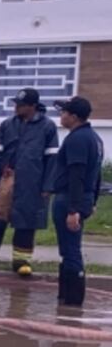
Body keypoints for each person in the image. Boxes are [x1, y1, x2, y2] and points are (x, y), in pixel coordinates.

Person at [0, 88, 59, 277]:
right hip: (7, 178)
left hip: (32, 181)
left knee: (26, 220)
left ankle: (21, 261)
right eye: (16, 104)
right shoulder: (7, 125)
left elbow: (52, 159)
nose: (16, 108)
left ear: (33, 106)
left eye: (21, 105)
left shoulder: (48, 127)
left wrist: (47, 186)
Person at [49, 96, 104, 306]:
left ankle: (72, 301)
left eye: (63, 113)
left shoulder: (77, 139)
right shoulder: (94, 138)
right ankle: (65, 296)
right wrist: (93, 200)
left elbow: (77, 175)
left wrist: (73, 210)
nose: (61, 116)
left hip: (69, 200)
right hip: (83, 198)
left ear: (74, 116)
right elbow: (96, 174)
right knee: (69, 248)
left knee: (70, 250)